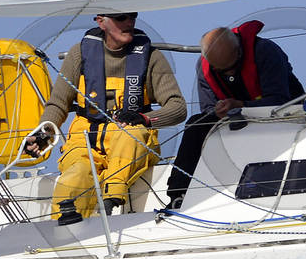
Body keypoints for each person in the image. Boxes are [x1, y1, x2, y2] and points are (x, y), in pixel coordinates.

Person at [22, 11, 186, 223]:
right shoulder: (79, 54)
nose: (129, 22)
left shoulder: (151, 57)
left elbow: (177, 107)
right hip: (85, 138)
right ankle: (65, 229)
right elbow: (59, 103)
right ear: (101, 22)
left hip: (129, 137)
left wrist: (145, 119)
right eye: (121, 18)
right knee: (73, 179)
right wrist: (44, 133)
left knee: (132, 134)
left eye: (132, 16)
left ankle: (109, 202)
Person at [163, 20, 304, 209]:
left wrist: (242, 105)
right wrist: (219, 111)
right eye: (223, 71)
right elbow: (208, 109)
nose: (230, 73)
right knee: (196, 124)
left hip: (280, 115)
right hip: (234, 121)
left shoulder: (265, 51)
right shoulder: (204, 68)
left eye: (234, 66)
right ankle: (178, 193)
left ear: (239, 50)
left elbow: (280, 100)